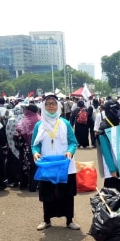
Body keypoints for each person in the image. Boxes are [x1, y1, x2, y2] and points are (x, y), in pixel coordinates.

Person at [32, 95, 80, 231]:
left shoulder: (65, 123)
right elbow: (34, 145)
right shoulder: (39, 125)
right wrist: (35, 152)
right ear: (43, 106)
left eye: (53, 103)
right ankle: (46, 220)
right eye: (48, 104)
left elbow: (73, 142)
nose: (51, 106)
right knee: (48, 192)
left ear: (58, 105)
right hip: (48, 166)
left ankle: (69, 220)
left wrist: (70, 151)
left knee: (67, 194)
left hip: (65, 165)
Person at [95, 99, 120, 193]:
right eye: (117, 109)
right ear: (110, 111)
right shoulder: (104, 127)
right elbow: (105, 151)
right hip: (113, 171)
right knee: (113, 196)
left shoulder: (119, 123)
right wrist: (112, 168)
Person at [16, 103, 40, 192]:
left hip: (26, 147)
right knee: (36, 166)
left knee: (24, 165)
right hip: (38, 146)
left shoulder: (24, 120)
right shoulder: (40, 119)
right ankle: (35, 185)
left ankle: (24, 184)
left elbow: (19, 130)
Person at [5, 104, 24, 187]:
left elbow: (7, 132)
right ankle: (22, 179)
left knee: (12, 164)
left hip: (12, 144)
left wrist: (9, 142)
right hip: (23, 145)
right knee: (22, 162)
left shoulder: (11, 119)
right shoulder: (25, 119)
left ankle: (14, 180)